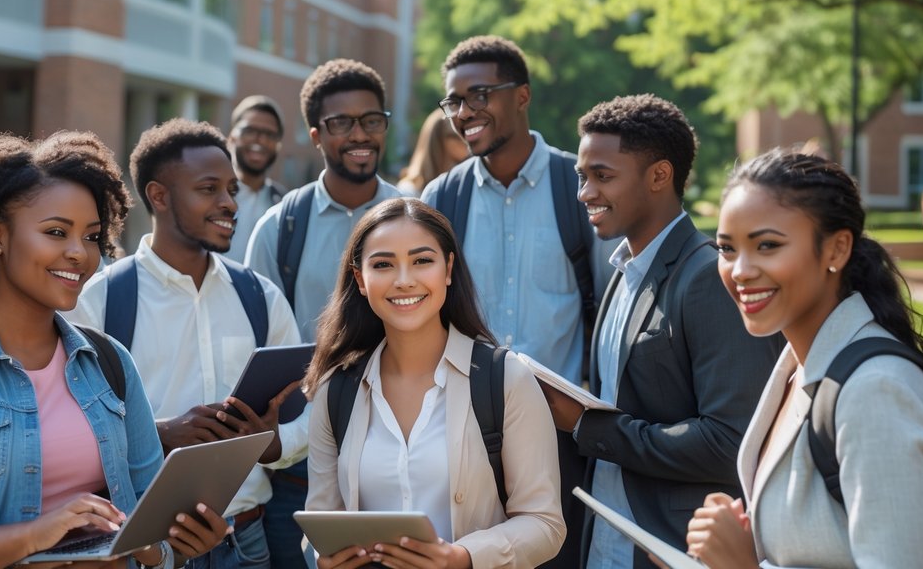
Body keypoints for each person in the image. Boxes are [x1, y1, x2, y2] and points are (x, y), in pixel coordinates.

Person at [0, 131, 228, 568]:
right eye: (56, 232)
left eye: (91, 237)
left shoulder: (110, 364)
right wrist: (31, 539)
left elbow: (151, 521)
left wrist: (174, 543)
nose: (79, 254)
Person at [682, 149, 923, 568]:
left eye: (767, 245)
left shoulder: (875, 391)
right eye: (726, 248)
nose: (739, 270)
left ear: (837, 249)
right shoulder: (795, 365)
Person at [540, 95, 781, 569]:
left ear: (659, 176)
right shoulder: (619, 274)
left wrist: (588, 426)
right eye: (582, 177)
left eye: (602, 176)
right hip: (604, 538)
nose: (584, 193)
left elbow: (730, 441)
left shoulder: (708, 279)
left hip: (669, 548)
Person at [69, 119, 308, 569]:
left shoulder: (262, 297)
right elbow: (64, 430)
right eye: (209, 189)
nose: (229, 203)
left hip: (247, 542)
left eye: (232, 190)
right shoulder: (98, 301)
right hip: (146, 548)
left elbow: (310, 415)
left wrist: (272, 443)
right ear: (159, 196)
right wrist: (157, 434)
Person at [421, 36, 607, 569]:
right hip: (462, 438)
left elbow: (613, 302)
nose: (464, 112)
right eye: (453, 100)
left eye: (480, 94)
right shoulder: (440, 199)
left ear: (522, 96)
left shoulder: (580, 188)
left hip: (560, 439)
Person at [304, 197, 565, 569]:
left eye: (422, 260)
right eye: (383, 265)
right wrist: (323, 559)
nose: (404, 279)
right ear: (361, 280)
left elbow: (545, 523)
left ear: (448, 269)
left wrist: (464, 557)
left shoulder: (505, 378)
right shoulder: (336, 390)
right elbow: (319, 524)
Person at [246, 59, 404, 568]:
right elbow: (261, 345)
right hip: (302, 468)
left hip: (403, 462)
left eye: (371, 120)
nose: (360, 135)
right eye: (342, 124)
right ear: (316, 135)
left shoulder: (417, 217)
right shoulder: (279, 227)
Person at [225, 95, 288, 263]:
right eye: (250, 131)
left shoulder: (285, 205)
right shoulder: (208, 196)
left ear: (278, 145)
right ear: (232, 138)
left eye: (269, 134)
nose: (260, 140)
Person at [396, 109, 468, 197]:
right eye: (457, 135)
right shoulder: (408, 191)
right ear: (437, 140)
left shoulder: (463, 183)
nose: (466, 141)